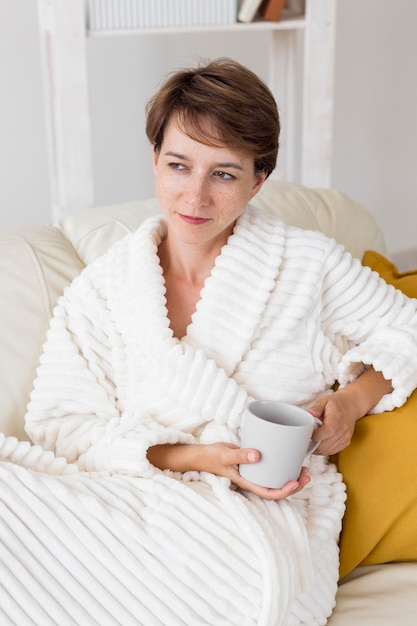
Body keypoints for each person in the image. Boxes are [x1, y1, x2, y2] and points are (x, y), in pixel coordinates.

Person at [1, 57, 417, 625]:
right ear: (154, 162)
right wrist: (194, 457)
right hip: (135, 498)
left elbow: (408, 328)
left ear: (259, 178)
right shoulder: (102, 290)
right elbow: (61, 426)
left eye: (223, 173)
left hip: (260, 519)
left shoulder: (308, 265)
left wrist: (351, 401)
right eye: (178, 165)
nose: (194, 197)